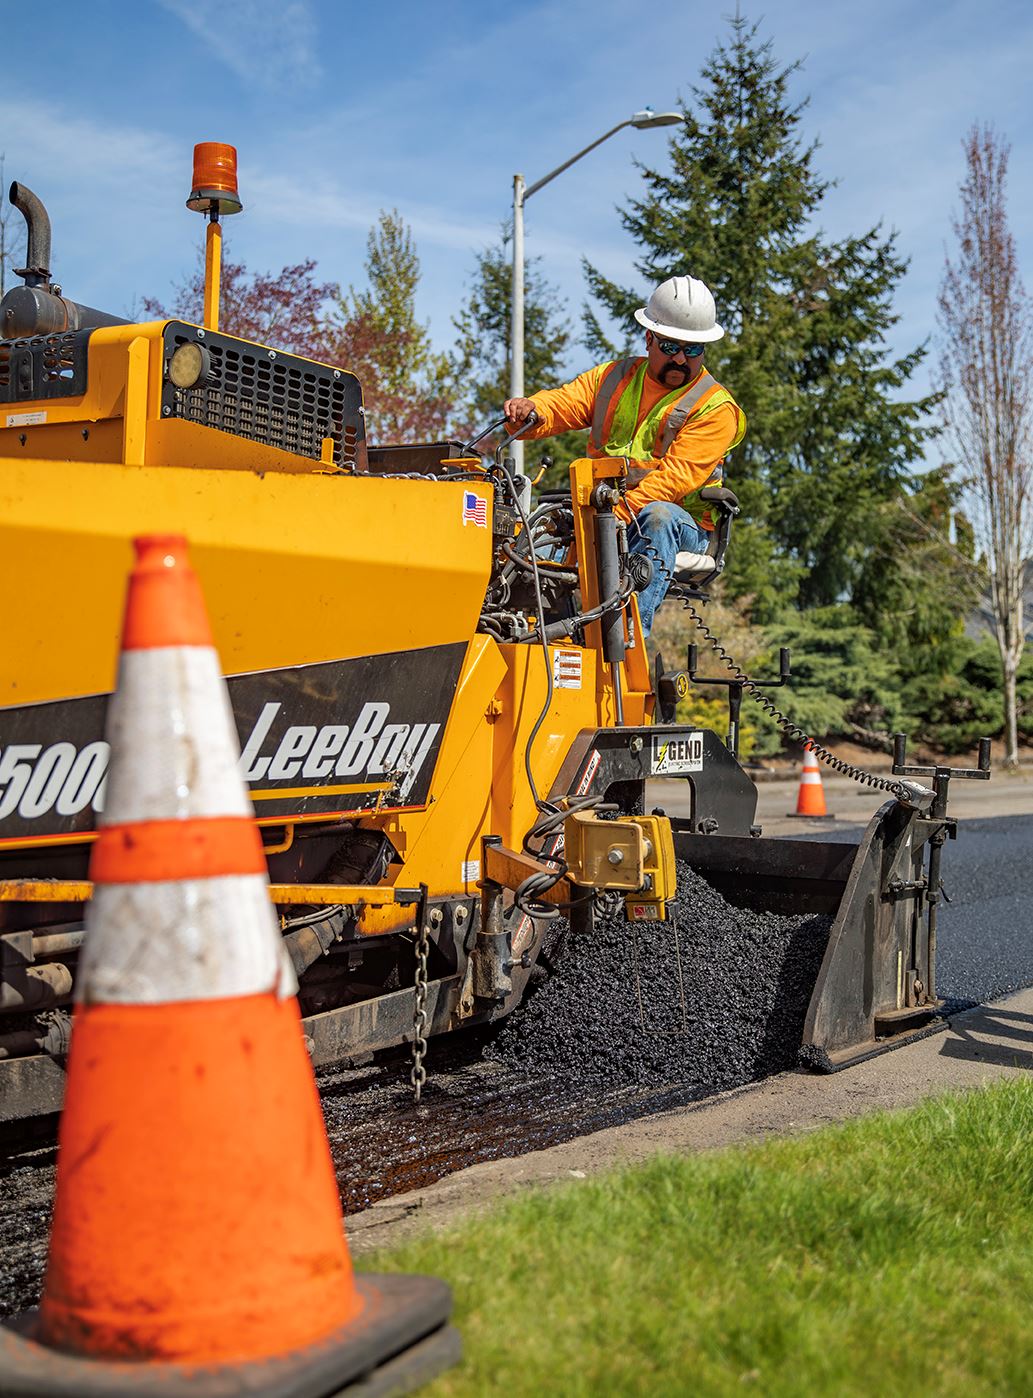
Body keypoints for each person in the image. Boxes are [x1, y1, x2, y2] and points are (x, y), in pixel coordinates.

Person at [503, 275, 746, 635]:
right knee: (539, 529)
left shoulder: (715, 408)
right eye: (670, 346)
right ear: (649, 339)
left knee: (658, 517)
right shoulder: (614, 378)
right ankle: (538, 630)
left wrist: (610, 519)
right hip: (605, 510)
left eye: (692, 350)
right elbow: (566, 401)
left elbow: (674, 480)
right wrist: (532, 411)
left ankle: (629, 638)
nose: (680, 358)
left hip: (682, 526)